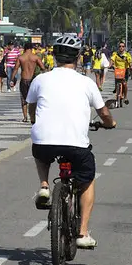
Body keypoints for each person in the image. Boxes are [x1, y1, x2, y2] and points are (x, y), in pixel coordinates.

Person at [26, 36, 116, 249]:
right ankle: (82, 233)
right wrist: (110, 123)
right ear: (77, 57)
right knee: (87, 179)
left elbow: (31, 106)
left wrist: (34, 121)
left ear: (55, 56)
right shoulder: (86, 82)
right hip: (76, 145)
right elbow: (103, 112)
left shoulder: (41, 80)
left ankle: (44, 186)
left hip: (44, 142)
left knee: (41, 152)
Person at [12, 43, 46, 123]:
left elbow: (15, 69)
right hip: (32, 80)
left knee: (24, 99)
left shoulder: (21, 57)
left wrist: (12, 79)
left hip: (24, 80)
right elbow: (43, 67)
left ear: (24, 48)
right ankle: (33, 117)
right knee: (33, 99)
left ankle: (25, 117)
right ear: (31, 49)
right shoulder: (35, 57)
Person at [110, 42, 132, 106]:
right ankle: (117, 90)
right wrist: (110, 65)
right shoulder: (115, 54)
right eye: (120, 46)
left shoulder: (127, 54)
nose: (121, 48)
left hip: (125, 70)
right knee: (117, 82)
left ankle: (125, 97)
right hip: (117, 70)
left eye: (123, 46)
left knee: (124, 84)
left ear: (124, 47)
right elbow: (112, 60)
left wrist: (131, 67)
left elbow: (130, 61)